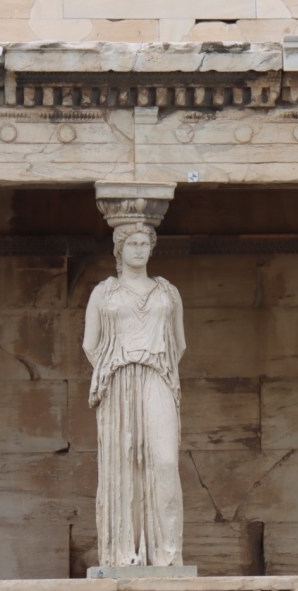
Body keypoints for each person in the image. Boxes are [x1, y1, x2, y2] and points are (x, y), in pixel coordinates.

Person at [83, 223, 186, 567]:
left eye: (145, 243)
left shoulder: (167, 292)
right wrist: (120, 367)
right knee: (125, 463)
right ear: (120, 249)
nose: (140, 250)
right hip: (118, 381)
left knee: (165, 461)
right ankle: (124, 553)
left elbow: (179, 344)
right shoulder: (104, 293)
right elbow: (90, 344)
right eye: (133, 244)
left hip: (158, 375)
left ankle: (167, 553)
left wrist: (150, 363)